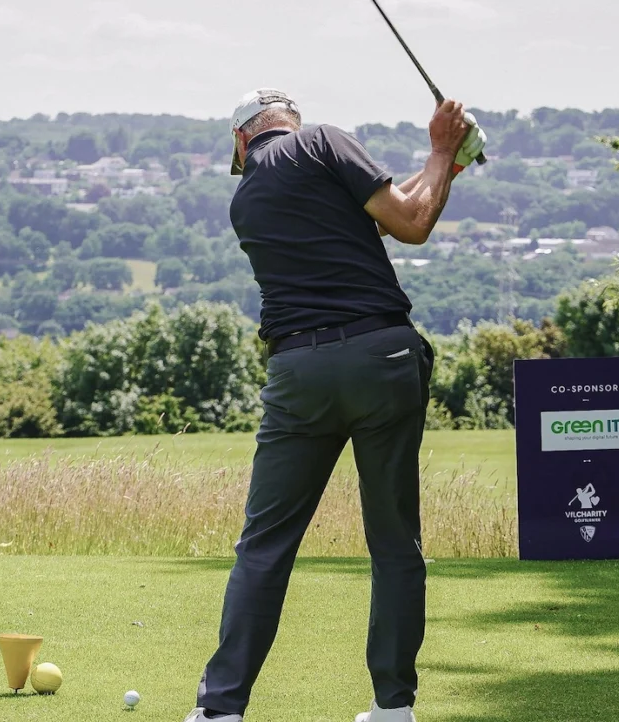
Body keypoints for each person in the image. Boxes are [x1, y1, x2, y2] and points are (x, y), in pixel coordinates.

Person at [184, 88, 487, 722]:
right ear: (287, 121)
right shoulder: (323, 140)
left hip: (299, 373)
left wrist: (446, 166)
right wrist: (440, 152)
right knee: (394, 541)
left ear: (243, 139)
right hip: (383, 360)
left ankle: (221, 712)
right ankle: (392, 709)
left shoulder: (246, 200)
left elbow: (378, 214)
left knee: (263, 546)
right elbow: (410, 222)